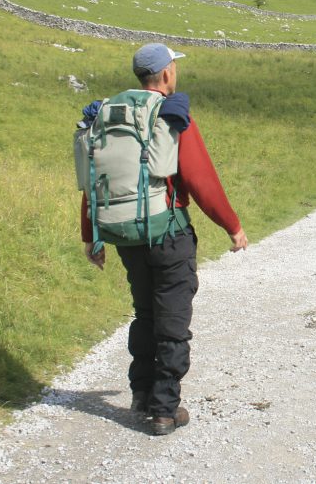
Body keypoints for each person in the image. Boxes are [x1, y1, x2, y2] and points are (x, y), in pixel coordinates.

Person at [80, 42, 248, 436]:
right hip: (169, 233)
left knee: (145, 314)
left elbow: (94, 180)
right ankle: (164, 410)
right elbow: (199, 178)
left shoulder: (110, 113)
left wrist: (92, 236)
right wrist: (232, 226)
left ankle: (141, 395)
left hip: (125, 233)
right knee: (172, 320)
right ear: (167, 74)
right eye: (175, 66)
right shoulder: (168, 115)